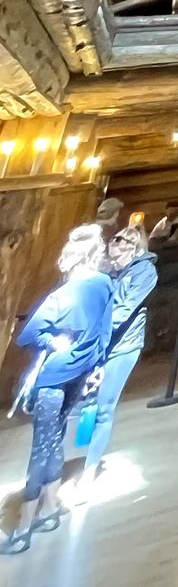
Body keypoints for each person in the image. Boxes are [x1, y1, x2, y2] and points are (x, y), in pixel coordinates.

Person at [4, 225, 113, 554]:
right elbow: (105, 332)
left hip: (53, 377)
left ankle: (23, 527)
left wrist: (54, 342)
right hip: (80, 374)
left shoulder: (63, 296)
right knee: (55, 439)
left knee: (41, 448)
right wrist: (96, 365)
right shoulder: (105, 284)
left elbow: (27, 335)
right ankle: (50, 508)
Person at [79, 223, 157, 487]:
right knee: (88, 401)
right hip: (100, 344)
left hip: (124, 346)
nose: (113, 264)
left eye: (117, 258)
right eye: (111, 259)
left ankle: (89, 469)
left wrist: (95, 329)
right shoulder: (113, 270)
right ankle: (82, 451)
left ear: (132, 250)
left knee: (104, 407)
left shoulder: (145, 272)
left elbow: (125, 309)